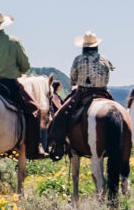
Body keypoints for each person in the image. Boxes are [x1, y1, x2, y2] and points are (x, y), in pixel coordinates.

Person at [0, 11, 45, 159]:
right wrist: (17, 70)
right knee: (34, 111)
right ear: (3, 25)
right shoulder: (13, 42)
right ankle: (34, 149)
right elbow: (25, 65)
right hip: (7, 85)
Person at [47, 31, 115, 160]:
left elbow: (73, 78)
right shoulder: (105, 60)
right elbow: (107, 78)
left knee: (60, 116)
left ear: (84, 46)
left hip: (82, 92)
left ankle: (57, 144)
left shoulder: (78, 59)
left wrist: (75, 85)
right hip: (103, 91)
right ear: (96, 46)